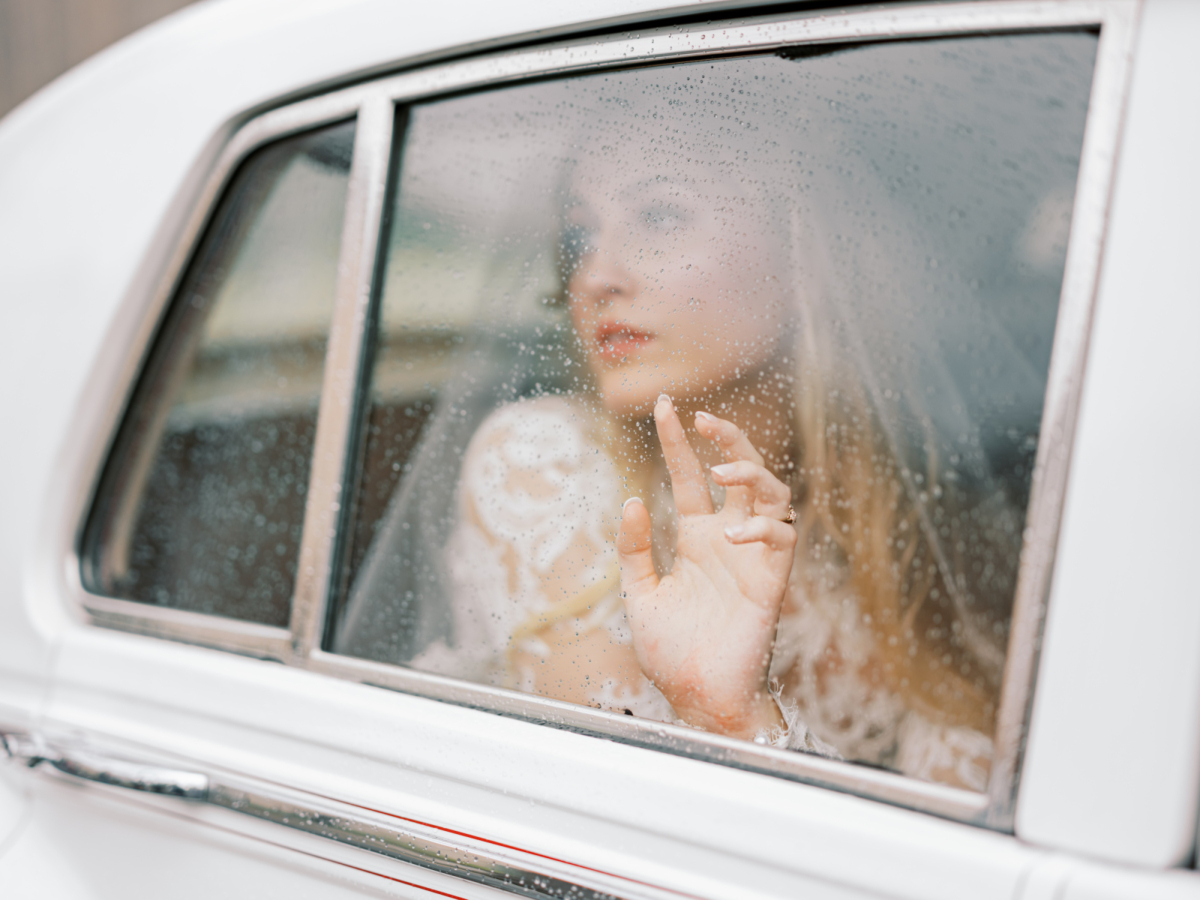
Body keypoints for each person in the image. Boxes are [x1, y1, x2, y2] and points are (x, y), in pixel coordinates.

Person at [335, 52, 1075, 790]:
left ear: (804, 255)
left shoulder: (901, 503)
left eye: (659, 216)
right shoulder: (545, 463)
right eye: (579, 237)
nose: (596, 275)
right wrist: (729, 715)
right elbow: (623, 815)